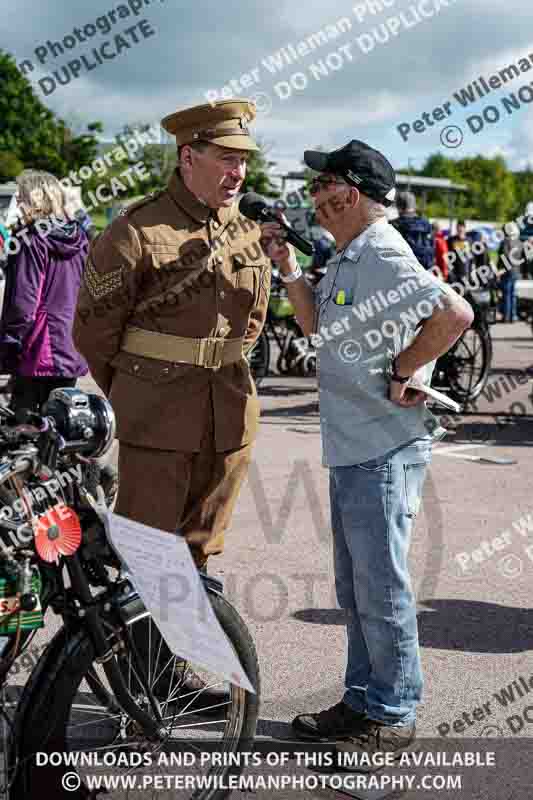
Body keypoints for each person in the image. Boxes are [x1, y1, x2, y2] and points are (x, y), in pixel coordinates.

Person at [260, 139, 473, 756]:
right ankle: (361, 701)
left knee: (380, 589)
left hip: (382, 450)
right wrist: (289, 268)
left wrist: (406, 368)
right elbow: (315, 329)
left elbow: (454, 315)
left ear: (349, 192)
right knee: (356, 590)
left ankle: (392, 711)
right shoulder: (352, 256)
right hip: (354, 446)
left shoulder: (381, 253)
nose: (314, 200)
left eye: (321, 188)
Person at [73, 99, 271, 571]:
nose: (238, 172)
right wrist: (138, 393)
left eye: (243, 160)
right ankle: (138, 645)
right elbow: (93, 331)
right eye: (227, 158)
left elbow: (253, 321)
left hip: (229, 419)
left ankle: (178, 645)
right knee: (148, 554)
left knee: (198, 555)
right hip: (158, 423)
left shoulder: (246, 232)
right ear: (188, 157)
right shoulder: (136, 229)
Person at [0, 170, 89, 419]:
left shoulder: (29, 238)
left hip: (38, 348)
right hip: (71, 345)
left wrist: (8, 346)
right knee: (59, 427)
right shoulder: (80, 237)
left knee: (22, 431)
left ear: (35, 199)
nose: (18, 202)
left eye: (22, 197)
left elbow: (23, 303)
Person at [390, 191, 434, 270]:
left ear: (399, 207)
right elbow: (432, 246)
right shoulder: (425, 223)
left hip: (403, 271)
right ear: (414, 206)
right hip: (424, 270)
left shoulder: (394, 225)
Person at [498, 222, 522, 322]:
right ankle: (513, 316)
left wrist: (500, 269)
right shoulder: (518, 242)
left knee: (506, 295)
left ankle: (507, 317)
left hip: (507, 272)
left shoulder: (505, 242)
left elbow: (504, 256)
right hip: (516, 271)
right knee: (512, 295)